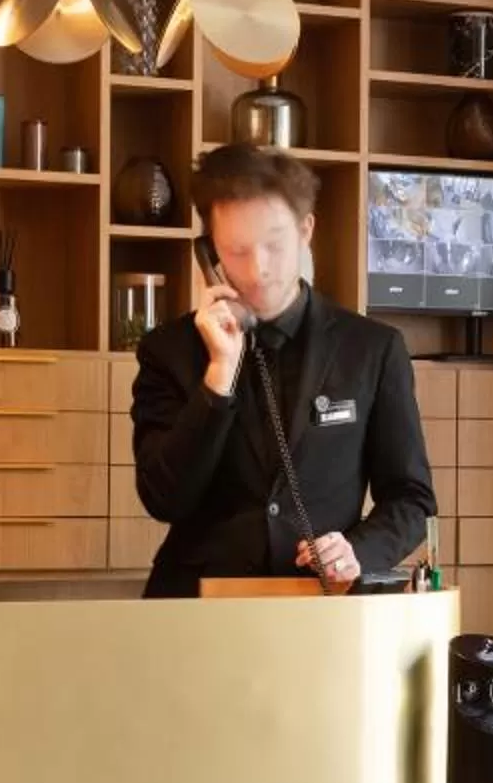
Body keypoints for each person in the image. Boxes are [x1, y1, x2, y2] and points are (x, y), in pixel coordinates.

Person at [130, 144, 436, 599]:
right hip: (195, 609)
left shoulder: (372, 349)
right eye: (236, 250)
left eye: (274, 244)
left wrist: (358, 551)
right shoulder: (168, 351)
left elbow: (411, 500)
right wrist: (218, 376)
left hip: (321, 607)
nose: (258, 270)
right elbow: (164, 499)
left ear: (306, 230)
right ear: (210, 252)